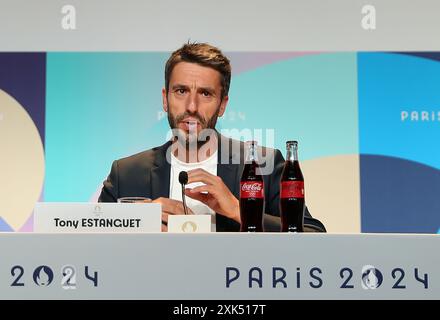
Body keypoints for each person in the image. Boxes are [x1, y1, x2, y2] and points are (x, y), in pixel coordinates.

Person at [98, 42, 326, 232]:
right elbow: (92, 244)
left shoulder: (262, 165)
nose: (192, 106)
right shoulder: (127, 174)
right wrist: (139, 224)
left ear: (222, 105)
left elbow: (313, 235)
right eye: (181, 91)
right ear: (165, 99)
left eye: (205, 94)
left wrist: (238, 210)